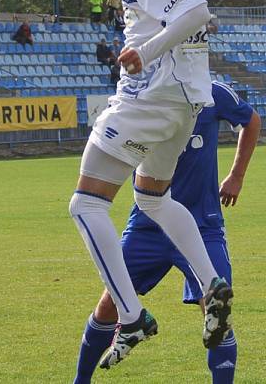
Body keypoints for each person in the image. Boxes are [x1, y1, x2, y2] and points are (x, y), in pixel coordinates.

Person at [70, 0, 232, 368]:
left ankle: (131, 314)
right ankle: (210, 283)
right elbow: (198, 15)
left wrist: (146, 51)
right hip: (185, 99)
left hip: (153, 94)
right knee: (153, 197)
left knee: (85, 204)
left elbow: (194, 12)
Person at [74, 81, 260, 383]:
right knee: (110, 303)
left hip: (203, 224)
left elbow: (250, 120)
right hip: (147, 224)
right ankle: (80, 380)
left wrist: (237, 175)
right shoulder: (140, 97)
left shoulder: (212, 93)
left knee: (217, 312)